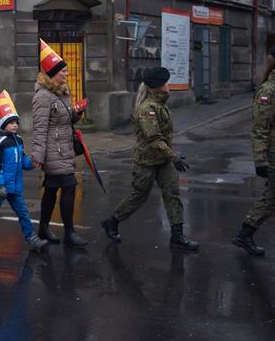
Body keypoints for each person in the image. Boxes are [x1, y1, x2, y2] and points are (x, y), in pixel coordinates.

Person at [101, 66, 199, 250]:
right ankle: (112, 221)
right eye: (164, 83)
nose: (167, 85)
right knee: (138, 196)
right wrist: (174, 156)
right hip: (146, 161)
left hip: (163, 160)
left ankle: (177, 236)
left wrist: (170, 156)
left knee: (172, 193)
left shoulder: (160, 104)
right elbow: (154, 138)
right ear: (156, 87)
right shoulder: (148, 110)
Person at [0, 91, 47, 252]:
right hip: (1, 189)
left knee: (23, 213)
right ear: (3, 123)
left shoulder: (18, 140)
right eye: (11, 122)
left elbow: (23, 161)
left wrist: (33, 161)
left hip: (15, 188)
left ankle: (31, 237)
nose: (15, 125)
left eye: (16, 122)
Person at [233, 46, 275, 256]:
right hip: (274, 153)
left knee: (273, 197)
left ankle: (244, 234)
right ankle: (244, 235)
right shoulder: (269, 91)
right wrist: (260, 161)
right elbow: (259, 128)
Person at [31, 40, 87, 246]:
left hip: (65, 149)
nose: (66, 74)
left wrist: (76, 112)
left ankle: (44, 228)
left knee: (52, 189)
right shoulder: (43, 97)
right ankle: (70, 233)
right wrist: (38, 154)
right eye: (62, 71)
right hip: (53, 151)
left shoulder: (62, 92)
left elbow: (66, 120)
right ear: (52, 74)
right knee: (69, 186)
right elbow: (40, 127)